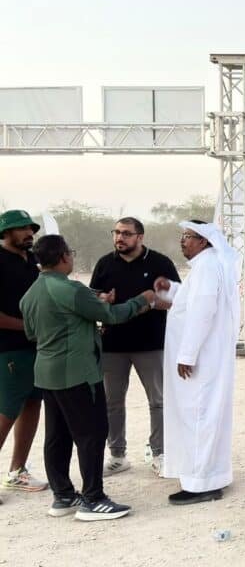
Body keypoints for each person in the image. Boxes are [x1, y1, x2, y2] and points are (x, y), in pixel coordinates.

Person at [20, 235, 156, 520]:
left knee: (57, 436)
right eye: (70, 252)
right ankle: (93, 499)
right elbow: (112, 315)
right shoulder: (72, 289)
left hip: (47, 372)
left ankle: (63, 496)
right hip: (77, 373)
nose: (71, 256)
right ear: (62, 257)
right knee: (91, 434)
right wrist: (141, 300)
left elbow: (32, 333)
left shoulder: (31, 293)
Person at [155, 220, 241, 505]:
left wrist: (187, 354)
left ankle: (202, 483)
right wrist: (171, 289)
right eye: (182, 236)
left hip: (202, 358)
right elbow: (191, 299)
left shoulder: (207, 266)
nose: (183, 241)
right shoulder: (208, 265)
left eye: (188, 236)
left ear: (203, 241)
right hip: (206, 356)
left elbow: (203, 311)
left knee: (198, 415)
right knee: (203, 415)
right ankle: (209, 476)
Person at [89, 216, 180, 477]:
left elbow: (178, 300)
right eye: (116, 232)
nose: (120, 238)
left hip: (151, 344)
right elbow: (92, 296)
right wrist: (102, 299)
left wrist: (150, 303)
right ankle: (117, 456)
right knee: (112, 403)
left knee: (158, 401)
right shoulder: (105, 263)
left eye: (126, 233)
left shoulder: (160, 263)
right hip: (112, 345)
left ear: (140, 237)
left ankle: (160, 453)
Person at [0, 210, 48, 500]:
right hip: (9, 349)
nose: (29, 233)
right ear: (5, 233)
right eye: (21, 229)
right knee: (7, 411)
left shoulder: (32, 260)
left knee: (32, 403)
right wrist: (30, 329)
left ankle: (17, 471)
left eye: (31, 228)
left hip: (37, 348)